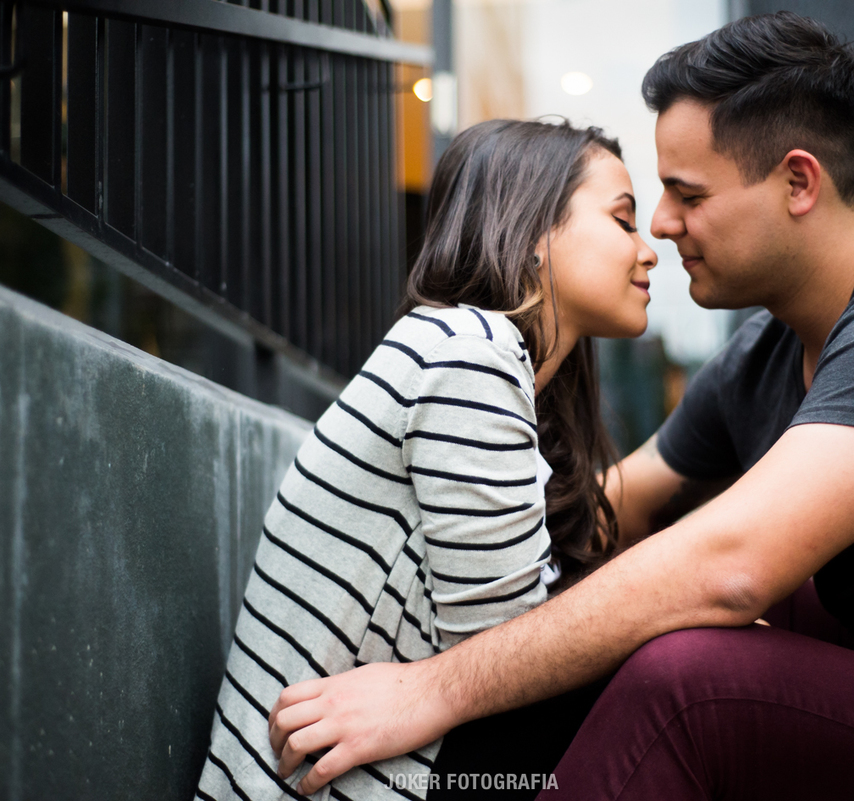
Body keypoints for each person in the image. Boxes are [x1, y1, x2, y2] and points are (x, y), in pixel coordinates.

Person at [266, 12, 854, 800]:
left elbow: (732, 566)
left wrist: (433, 687)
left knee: (691, 682)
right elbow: (614, 513)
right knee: (670, 595)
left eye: (686, 194)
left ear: (799, 181)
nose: (660, 224)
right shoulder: (761, 356)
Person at [196, 118, 658, 800]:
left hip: (387, 773)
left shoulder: (482, 363)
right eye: (624, 221)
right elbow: (510, 660)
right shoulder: (468, 350)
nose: (650, 252)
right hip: (330, 787)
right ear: (534, 233)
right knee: (680, 683)